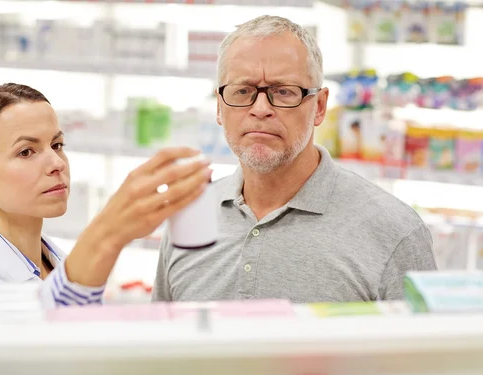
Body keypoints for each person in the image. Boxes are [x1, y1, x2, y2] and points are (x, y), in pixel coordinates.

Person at [152, 16, 437, 303]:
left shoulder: (394, 230)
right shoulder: (190, 214)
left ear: (319, 107)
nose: (260, 109)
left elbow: (429, 346)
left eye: (283, 92)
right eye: (242, 91)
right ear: (219, 107)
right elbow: (162, 341)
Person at [0, 83, 212, 308]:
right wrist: (108, 233)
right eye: (26, 152)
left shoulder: (60, 263)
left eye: (57, 145)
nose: (57, 163)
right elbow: (39, 338)